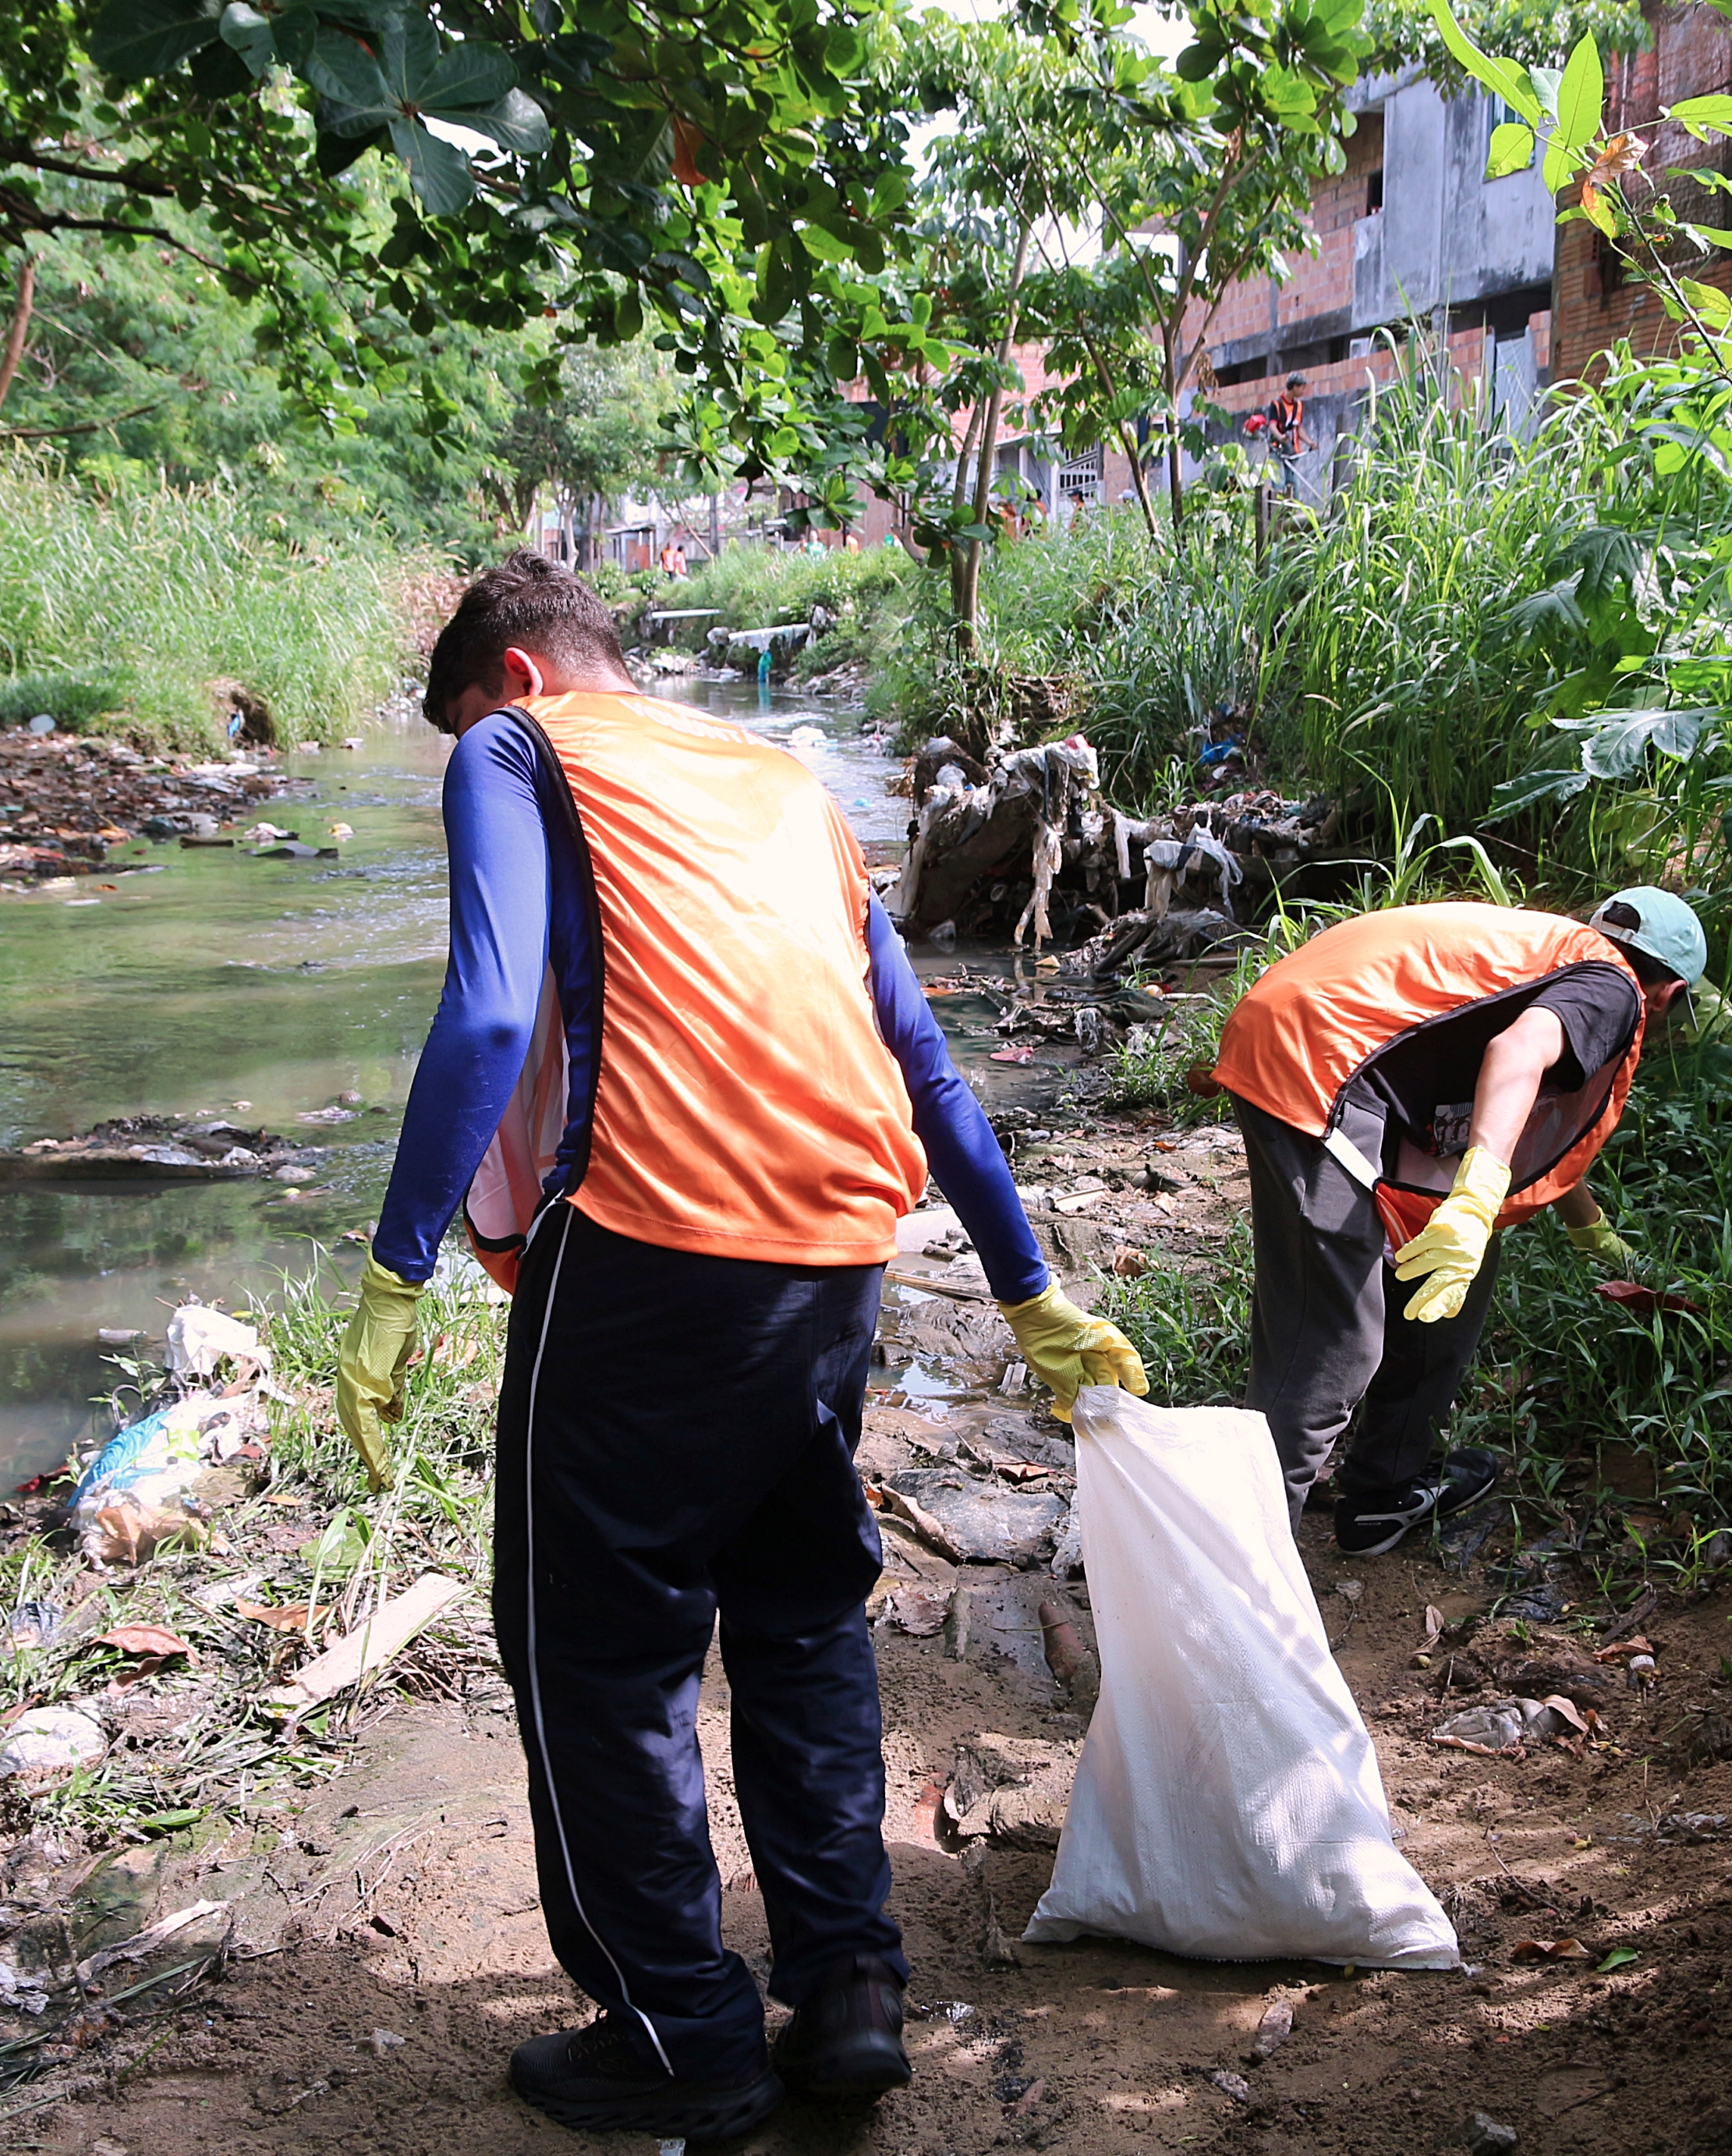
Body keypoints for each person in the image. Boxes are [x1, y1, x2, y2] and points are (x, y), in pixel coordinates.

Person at [333, 552, 1145, 2140]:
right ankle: (845, 1986)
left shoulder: (518, 749)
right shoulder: (784, 781)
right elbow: (926, 1060)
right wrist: (1026, 1286)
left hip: (642, 1249)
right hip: (835, 1254)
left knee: (596, 1649)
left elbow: (489, 1011)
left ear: (516, 679)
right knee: (799, 1614)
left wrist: (393, 1270)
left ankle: (679, 2034)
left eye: (466, 718)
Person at [1208, 890, 1705, 1552]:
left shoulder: (1555, 957)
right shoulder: (1616, 988)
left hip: (1323, 1041)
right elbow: (1517, 1054)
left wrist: (1593, 1236)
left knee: (1457, 1267)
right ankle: (1233, 1571)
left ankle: (1382, 1491)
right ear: (1669, 994)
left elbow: (1529, 1127)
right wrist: (1475, 1195)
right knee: (1331, 1345)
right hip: (1320, 1060)